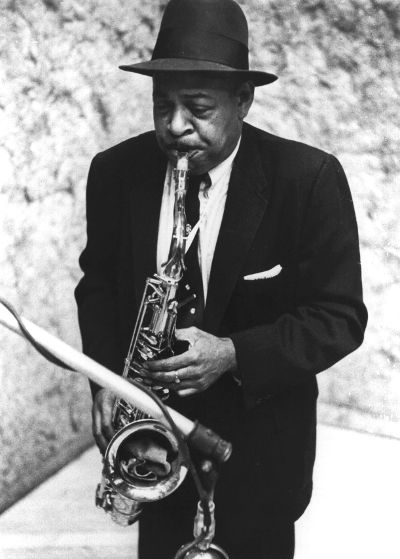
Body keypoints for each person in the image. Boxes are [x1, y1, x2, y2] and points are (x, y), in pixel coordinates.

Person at [75, 0, 368, 557]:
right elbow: (99, 287)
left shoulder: (307, 179)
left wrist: (233, 353)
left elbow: (340, 318)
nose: (175, 126)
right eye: (162, 105)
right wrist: (106, 382)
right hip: (152, 453)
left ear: (244, 100)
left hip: (259, 460)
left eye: (198, 108)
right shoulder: (114, 173)